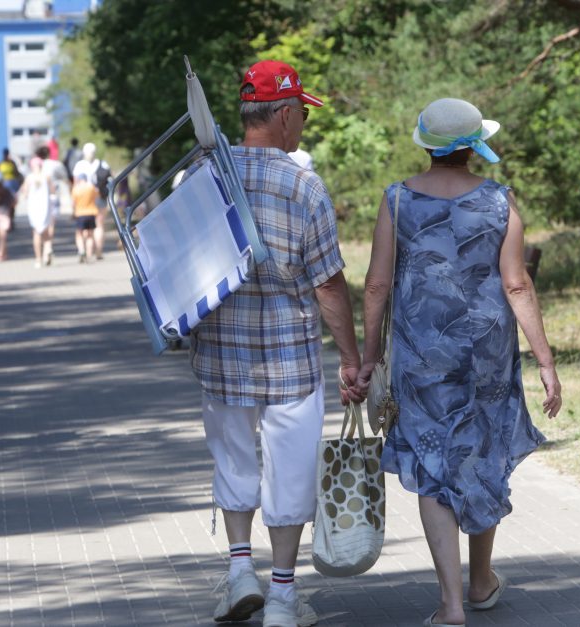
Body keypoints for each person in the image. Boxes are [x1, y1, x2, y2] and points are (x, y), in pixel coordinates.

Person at [355, 98, 563, 627]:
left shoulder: (397, 201)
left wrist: (368, 356)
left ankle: (450, 604)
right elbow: (517, 283)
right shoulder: (499, 200)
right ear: (473, 146)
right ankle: (481, 580)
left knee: (431, 462)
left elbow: (377, 282)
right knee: (482, 449)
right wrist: (545, 360)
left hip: (422, 354)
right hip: (487, 352)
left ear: (426, 144)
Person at [187, 59, 360, 627]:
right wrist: (352, 358)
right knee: (288, 470)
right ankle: (282, 596)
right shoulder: (303, 185)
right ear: (283, 115)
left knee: (234, 461)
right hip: (289, 358)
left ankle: (241, 572)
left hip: (220, 355)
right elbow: (329, 286)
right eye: (301, 114)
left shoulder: (202, 175)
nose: (303, 125)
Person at [72, 142, 111, 260]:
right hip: (99, 196)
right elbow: (110, 180)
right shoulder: (102, 164)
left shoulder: (79, 165)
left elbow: (75, 184)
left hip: (83, 199)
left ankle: (83, 250)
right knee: (99, 225)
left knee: (83, 229)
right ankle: (98, 251)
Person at [17, 156, 57, 267]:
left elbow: (25, 193)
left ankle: (38, 259)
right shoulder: (46, 176)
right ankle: (47, 250)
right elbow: (53, 191)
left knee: (36, 233)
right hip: (45, 206)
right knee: (46, 231)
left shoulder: (29, 178)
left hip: (34, 208)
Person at [71, 173, 99, 262]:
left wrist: (73, 213)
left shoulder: (76, 189)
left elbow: (73, 203)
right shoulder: (91, 188)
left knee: (79, 234)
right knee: (90, 236)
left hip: (80, 214)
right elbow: (96, 197)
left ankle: (81, 250)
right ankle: (89, 255)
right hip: (91, 212)